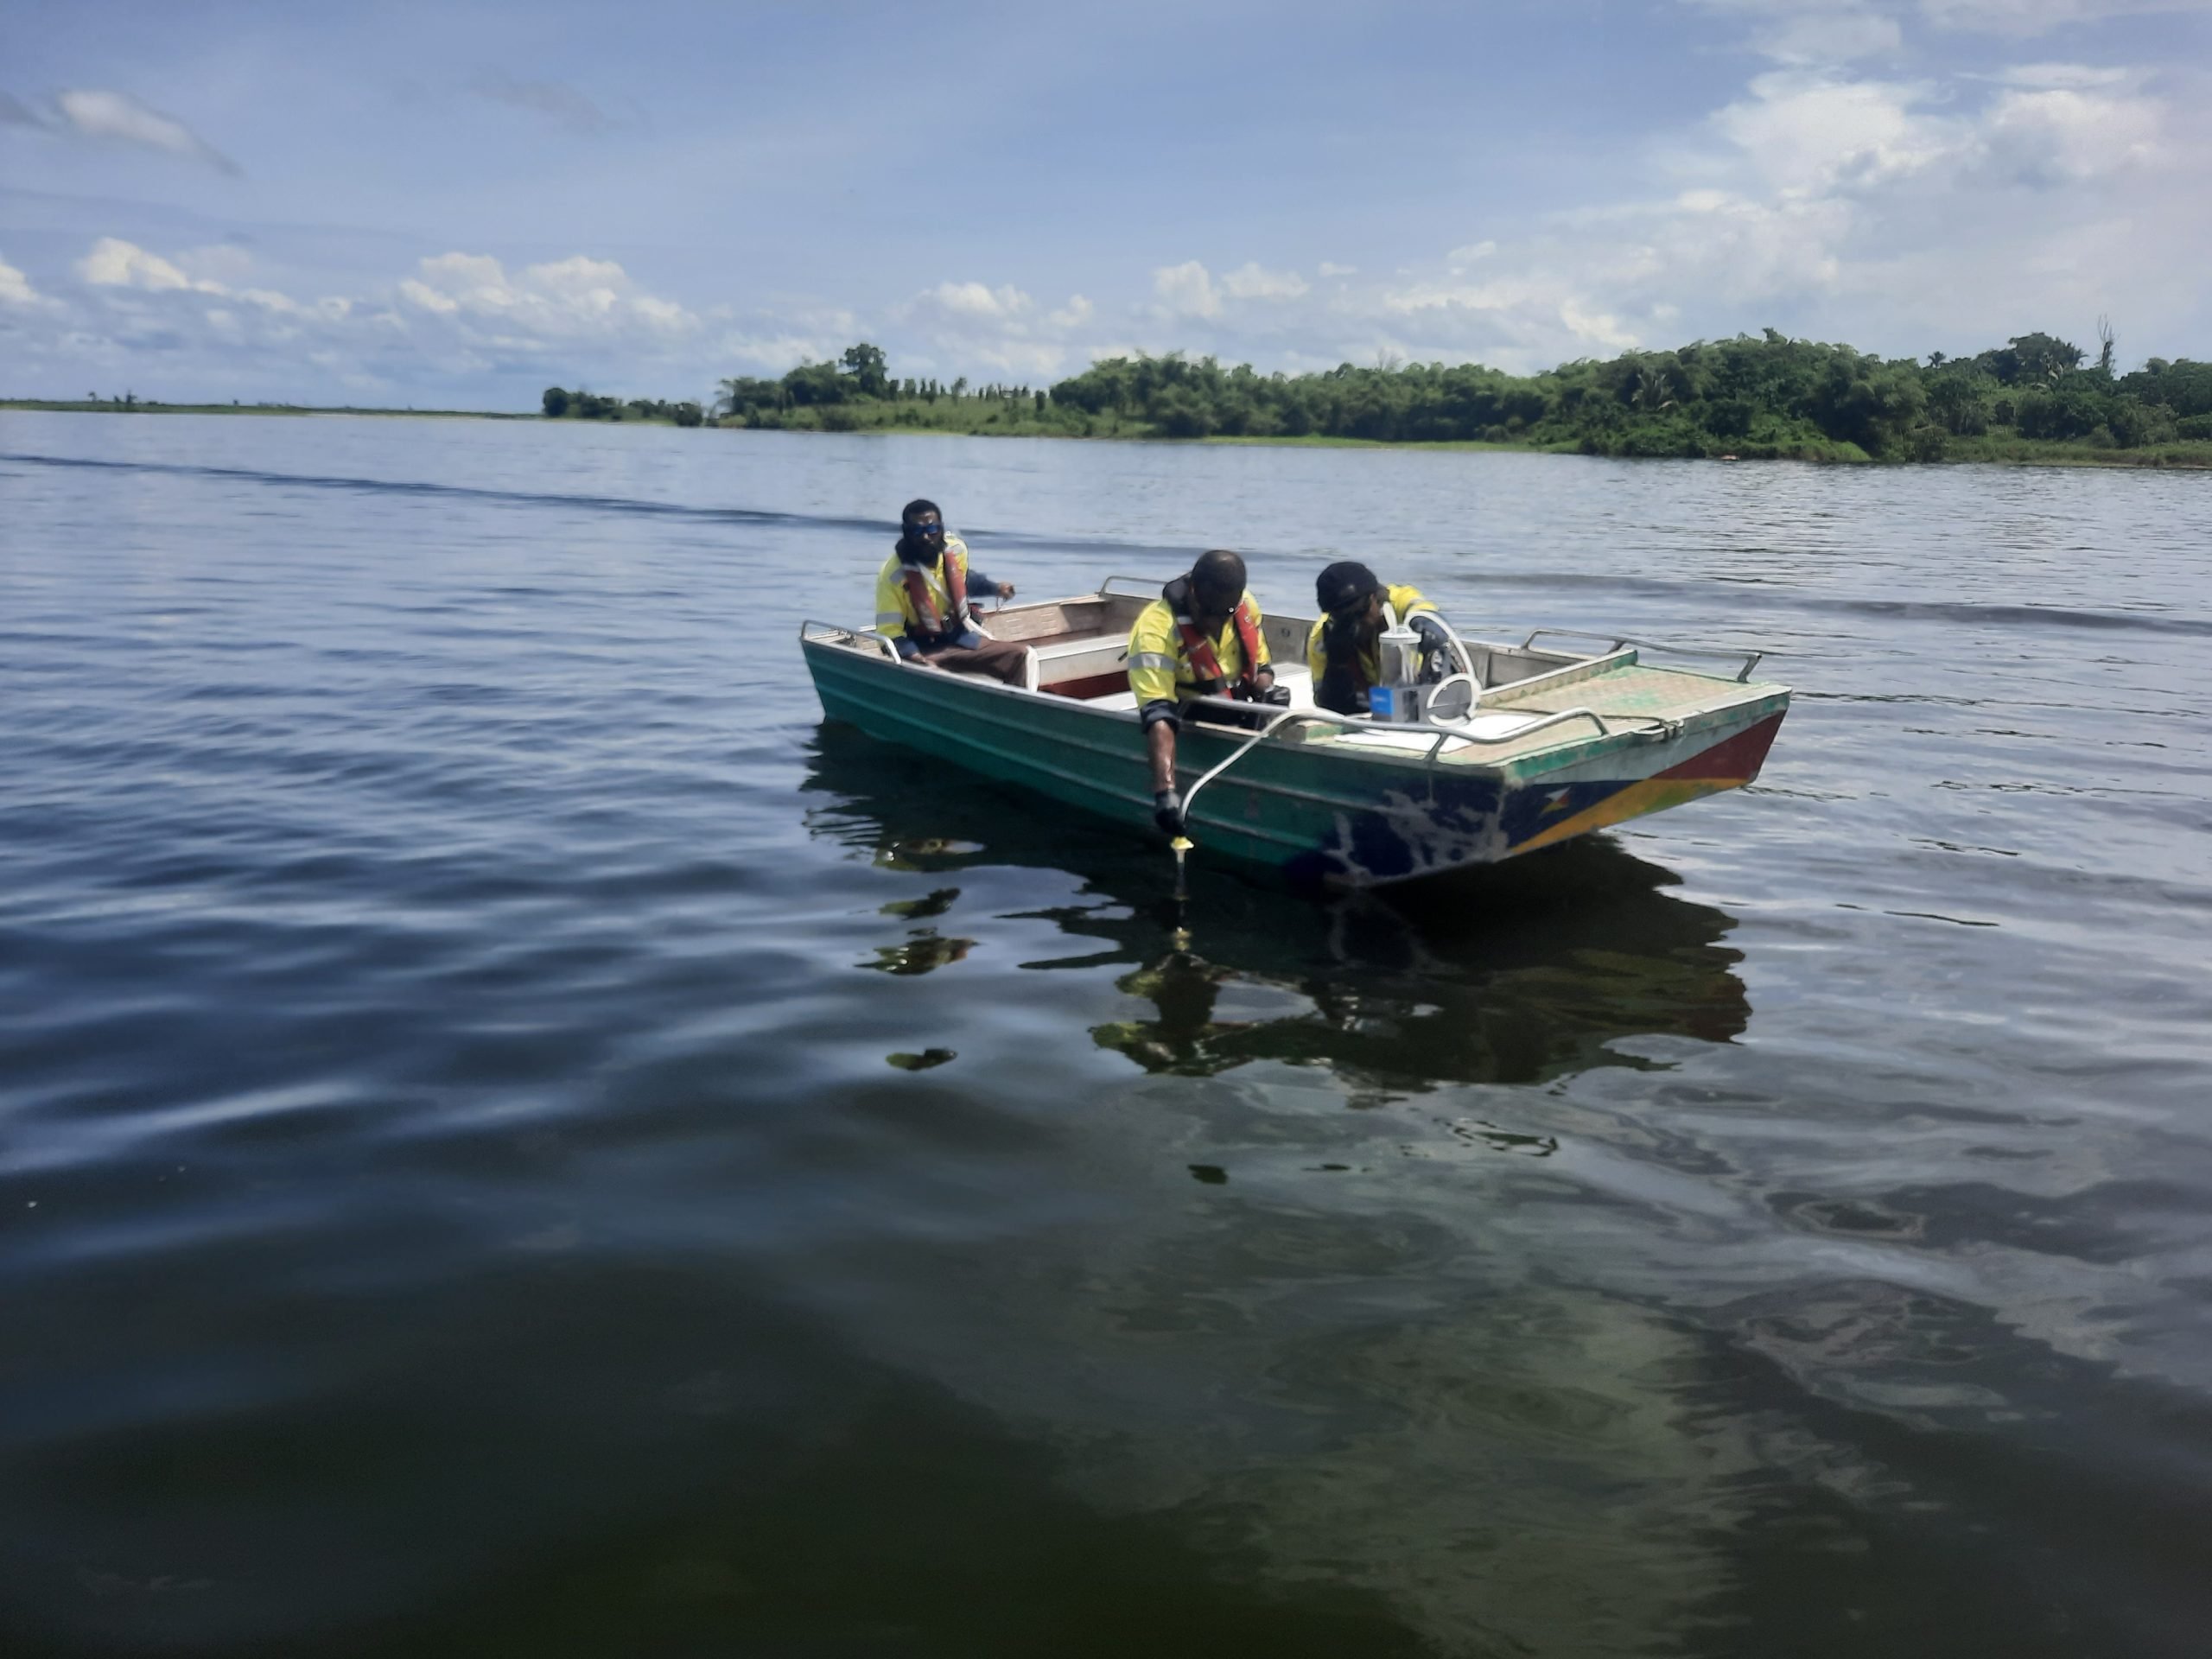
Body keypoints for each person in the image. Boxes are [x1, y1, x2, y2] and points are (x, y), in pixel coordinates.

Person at [1128, 548, 1289, 833]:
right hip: (1188, 718)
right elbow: (1158, 713)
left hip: (1237, 712)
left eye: (1223, 614)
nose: (1214, 623)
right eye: (1207, 612)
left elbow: (1261, 666)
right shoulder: (1156, 629)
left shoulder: (1245, 607)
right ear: (1192, 591)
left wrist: (1267, 689)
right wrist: (1165, 792)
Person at [874, 499, 1028, 683]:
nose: (926, 537)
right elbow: (888, 633)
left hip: (960, 639)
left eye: (932, 530)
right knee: (934, 675)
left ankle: (1014, 701)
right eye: (917, 531)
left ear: (940, 529)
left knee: (1020, 655)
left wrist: (995, 588)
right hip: (924, 649)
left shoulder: (956, 551)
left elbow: (964, 580)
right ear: (906, 532)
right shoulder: (892, 575)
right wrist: (916, 658)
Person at [1306, 560, 1457, 716]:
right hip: (1365, 708)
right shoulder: (1321, 640)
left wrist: (1425, 623)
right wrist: (1337, 663)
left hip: (1416, 694)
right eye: (1346, 619)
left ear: (1375, 598)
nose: (1358, 623)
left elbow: (1423, 609)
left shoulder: (1398, 601)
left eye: (1360, 612)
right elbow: (1326, 705)